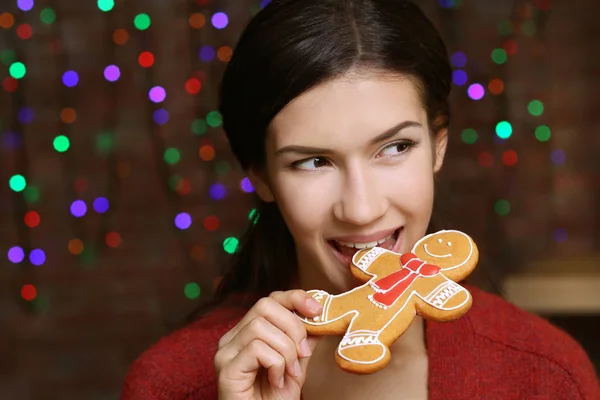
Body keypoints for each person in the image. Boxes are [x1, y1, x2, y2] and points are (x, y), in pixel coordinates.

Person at [120, 0, 600, 398]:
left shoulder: (544, 374)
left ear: (438, 145)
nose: (362, 209)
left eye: (394, 148)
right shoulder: (170, 383)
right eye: (312, 162)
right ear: (262, 177)